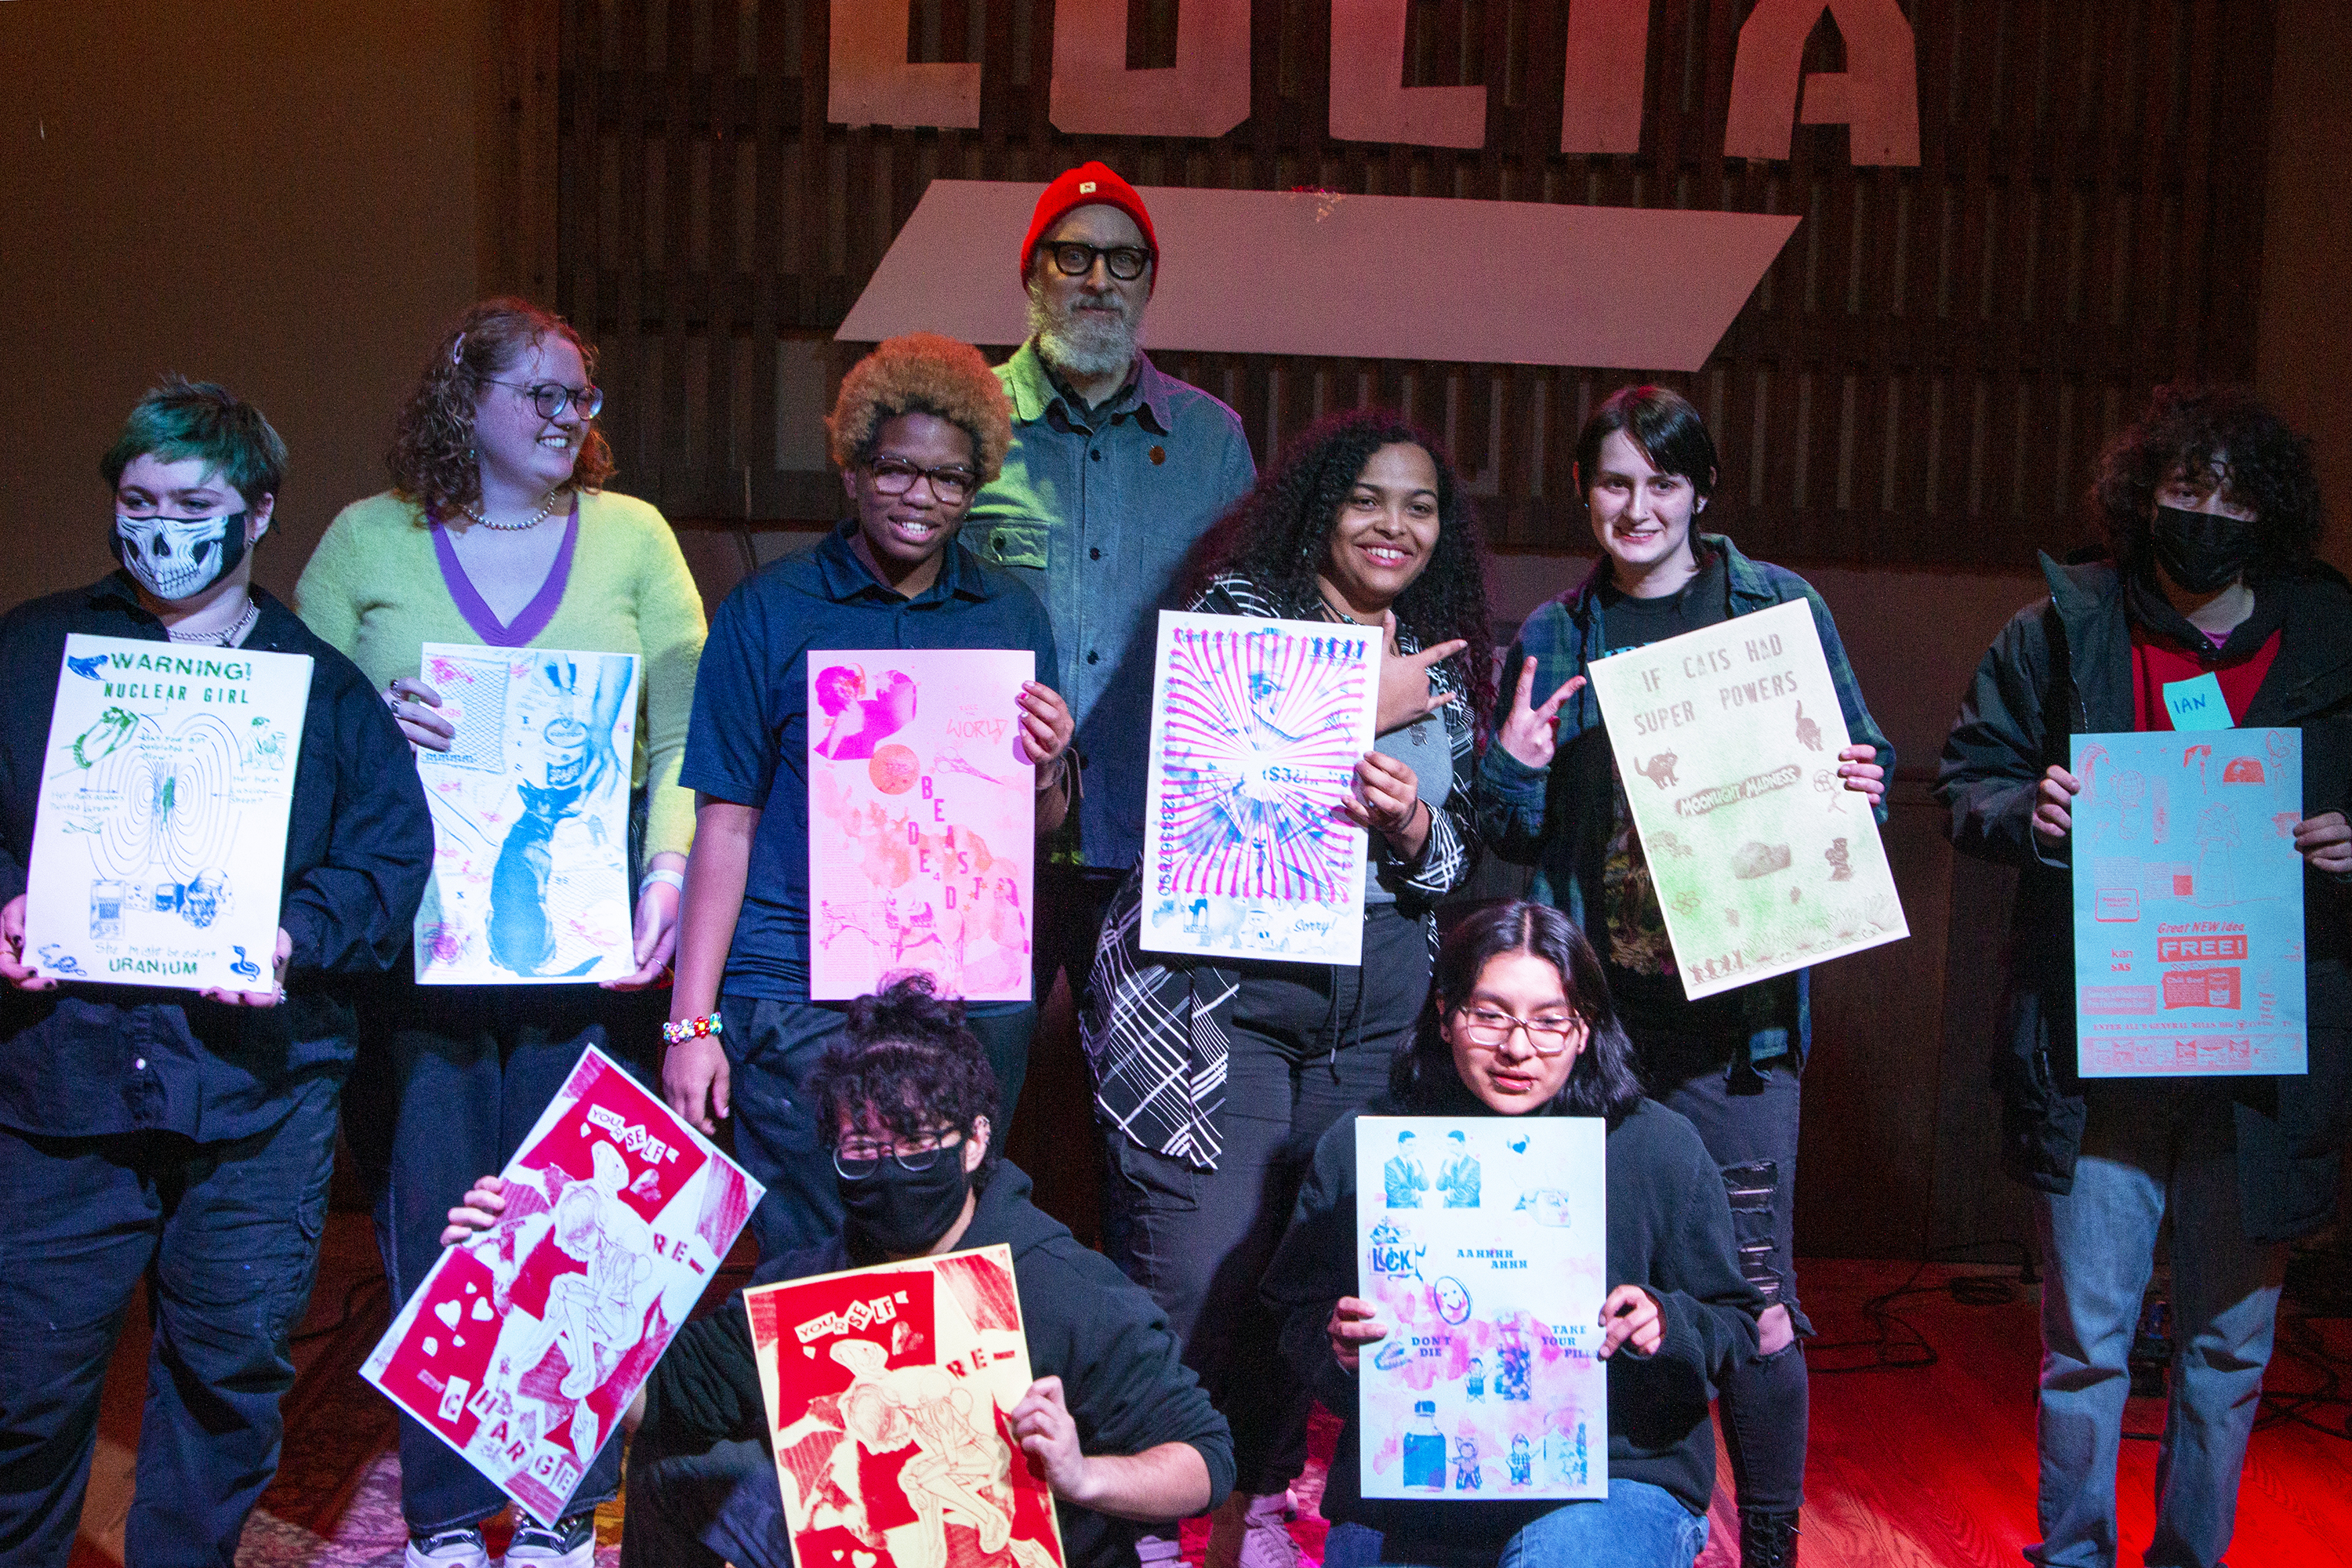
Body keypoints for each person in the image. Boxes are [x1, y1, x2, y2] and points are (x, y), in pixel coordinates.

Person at [295, 296, 708, 1568]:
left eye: (580, 396)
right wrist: (370, 715)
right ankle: (436, 1522)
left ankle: (556, 1513)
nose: (566, 416)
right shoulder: (369, 540)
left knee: (575, 1227)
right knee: (435, 1233)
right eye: (538, 392)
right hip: (415, 962)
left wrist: (670, 866)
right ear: (462, 397)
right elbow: (292, 731)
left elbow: (691, 727)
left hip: (583, 958)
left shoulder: (635, 538)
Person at [0, 378, 433, 1566]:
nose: (160, 523)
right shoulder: (35, 653)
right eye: (137, 498)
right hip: (62, 1089)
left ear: (257, 514)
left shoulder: (326, 689)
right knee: (25, 1389)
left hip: (256, 1097)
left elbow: (387, 862)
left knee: (224, 1387)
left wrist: (292, 938)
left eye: (192, 499)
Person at [1936, 383, 2352, 1568]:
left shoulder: (2333, 640)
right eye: (2183, 490)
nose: (2206, 514)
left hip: (2266, 1050)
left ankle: (2189, 1558)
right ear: (2141, 499)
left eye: (2230, 494)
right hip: (2098, 1040)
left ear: (2269, 511)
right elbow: (1969, 782)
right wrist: (2032, 811)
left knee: (2230, 1348)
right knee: (2086, 1343)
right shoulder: (2060, 631)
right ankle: (2073, 1555)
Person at [1474, 385, 1889, 1568]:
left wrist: (1864, 772)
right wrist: (1515, 763)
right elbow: (1512, 829)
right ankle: (1577, 1504)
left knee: (1754, 1296)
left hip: (1739, 1020)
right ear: (1584, 492)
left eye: (1662, 483)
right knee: (1578, 1276)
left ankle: (1765, 1545)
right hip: (1592, 1022)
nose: (1638, 506)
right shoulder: (1558, 632)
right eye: (1614, 482)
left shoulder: (1777, 608)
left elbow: (1863, 752)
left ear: (1701, 492)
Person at [1082, 409, 1491, 1567]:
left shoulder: (1441, 647)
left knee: (1303, 1271)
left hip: (1371, 1008)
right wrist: (1369, 703)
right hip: (1221, 1001)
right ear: (1320, 507)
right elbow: (1207, 766)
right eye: (1367, 499)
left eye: (1419, 506)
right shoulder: (1242, 613)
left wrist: (1413, 824)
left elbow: (1455, 859)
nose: (1393, 525)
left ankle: (1257, 1502)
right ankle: (1142, 1515)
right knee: (1197, 1276)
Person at [438, 975, 1236, 1568]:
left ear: (975, 1141)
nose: (891, 1168)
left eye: (918, 1143)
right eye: (862, 1150)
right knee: (685, 1465)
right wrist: (512, 1270)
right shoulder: (806, 1281)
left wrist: (1081, 1472)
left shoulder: (1061, 1283)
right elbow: (658, 1398)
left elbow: (1205, 1458)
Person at [664, 333, 1075, 1261]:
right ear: (851, 470)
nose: (922, 497)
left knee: (951, 1249)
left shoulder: (1010, 615)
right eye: (897, 469)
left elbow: (1035, 828)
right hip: (797, 987)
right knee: (811, 1253)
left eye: (950, 479)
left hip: (967, 988)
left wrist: (1046, 766)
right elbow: (724, 825)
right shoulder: (768, 611)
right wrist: (692, 1023)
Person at [1262, 901, 1765, 1567]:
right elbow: (1294, 1311)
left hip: (1616, 1477)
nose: (1518, 1047)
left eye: (1550, 1022)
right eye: (1490, 1015)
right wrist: (1338, 1343)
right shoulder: (1368, 1146)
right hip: (1416, 1479)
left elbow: (1735, 1324)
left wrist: (1666, 1324)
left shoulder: (1658, 1148)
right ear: (1445, 1017)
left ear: (1584, 1030)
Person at [964, 160, 1258, 1025]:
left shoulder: (1210, 439)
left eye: (1124, 261)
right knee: (961, 1100)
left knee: (1148, 1127)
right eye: (1073, 257)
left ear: (1149, 284)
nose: (1099, 279)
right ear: (1032, 274)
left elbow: (1248, 630)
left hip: (1157, 842)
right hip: (981, 833)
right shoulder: (965, 420)